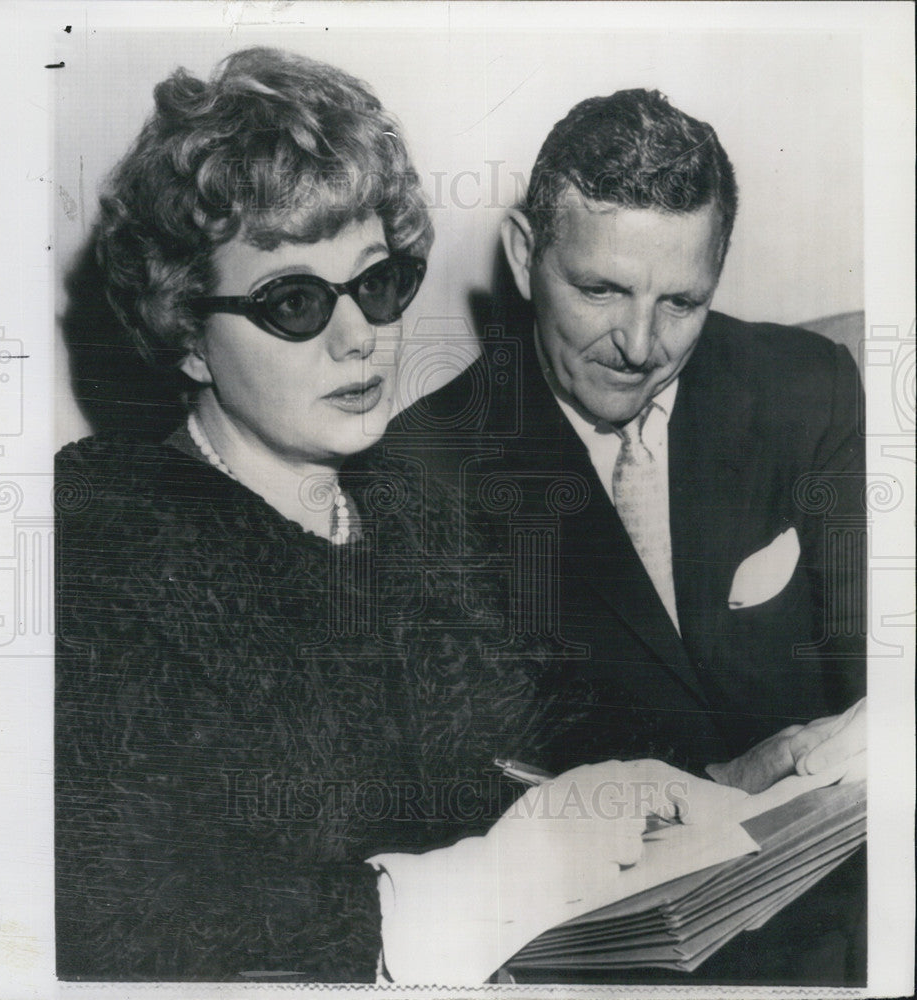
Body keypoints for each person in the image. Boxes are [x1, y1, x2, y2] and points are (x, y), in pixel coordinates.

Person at [54, 51, 740, 986]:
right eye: (293, 301)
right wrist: (496, 877)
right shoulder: (101, 542)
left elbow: (535, 728)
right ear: (184, 330)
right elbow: (122, 924)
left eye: (375, 284)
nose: (360, 336)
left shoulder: (403, 505)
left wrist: (723, 779)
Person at [390, 89, 866, 983]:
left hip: (851, 910)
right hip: (616, 956)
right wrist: (721, 781)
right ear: (528, 256)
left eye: (682, 301)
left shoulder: (811, 387)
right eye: (601, 289)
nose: (639, 346)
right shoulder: (423, 470)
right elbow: (475, 782)